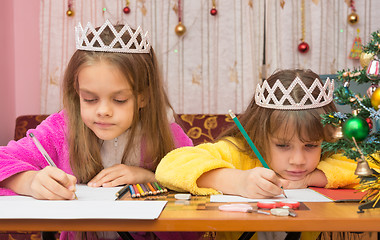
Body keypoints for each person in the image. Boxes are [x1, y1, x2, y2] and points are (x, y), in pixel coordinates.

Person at [0, 19, 202, 240]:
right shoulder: (61, 130)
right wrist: (28, 181)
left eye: (119, 99)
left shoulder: (168, 135)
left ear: (143, 96)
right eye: (90, 99)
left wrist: (150, 179)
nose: (103, 111)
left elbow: (199, 192)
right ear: (77, 92)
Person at [156, 69, 376, 240]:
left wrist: (314, 178)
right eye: (282, 145)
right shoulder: (240, 152)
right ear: (260, 134)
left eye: (310, 146)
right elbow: (170, 165)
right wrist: (238, 181)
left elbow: (373, 162)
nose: (298, 160)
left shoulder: (328, 153)